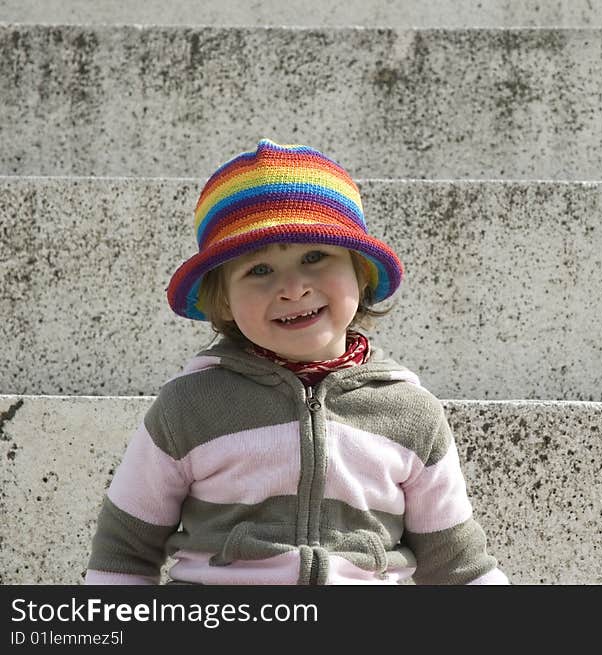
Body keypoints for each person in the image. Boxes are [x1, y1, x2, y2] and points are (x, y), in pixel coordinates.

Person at [85, 139, 508, 585]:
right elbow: (124, 551)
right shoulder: (188, 408)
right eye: (259, 270)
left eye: (314, 257)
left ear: (360, 273)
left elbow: (458, 564)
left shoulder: (411, 414)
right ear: (223, 301)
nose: (293, 288)